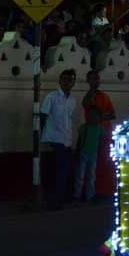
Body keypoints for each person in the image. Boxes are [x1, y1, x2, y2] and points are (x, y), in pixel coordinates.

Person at [40, 69, 77, 210]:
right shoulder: (52, 97)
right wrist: (43, 135)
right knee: (61, 169)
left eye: (71, 80)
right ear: (60, 81)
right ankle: (57, 199)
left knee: (64, 169)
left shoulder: (72, 100)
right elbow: (43, 115)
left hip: (67, 138)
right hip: (55, 138)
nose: (68, 82)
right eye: (65, 79)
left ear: (73, 83)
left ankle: (59, 198)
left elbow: (69, 119)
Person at [82, 69, 116, 200]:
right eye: (92, 79)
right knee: (93, 165)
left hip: (106, 134)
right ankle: (93, 193)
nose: (95, 81)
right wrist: (102, 116)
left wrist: (99, 116)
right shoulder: (88, 97)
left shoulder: (104, 96)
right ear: (88, 81)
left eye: (97, 79)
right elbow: (89, 114)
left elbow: (113, 114)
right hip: (92, 135)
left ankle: (105, 191)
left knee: (105, 162)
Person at [74, 107, 102, 202]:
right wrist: (78, 151)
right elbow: (79, 141)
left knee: (91, 175)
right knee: (80, 175)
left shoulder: (99, 129)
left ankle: (89, 196)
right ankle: (77, 195)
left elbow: (100, 142)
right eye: (91, 116)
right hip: (83, 153)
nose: (93, 118)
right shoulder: (84, 127)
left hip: (93, 154)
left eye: (95, 116)